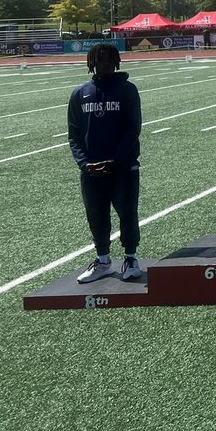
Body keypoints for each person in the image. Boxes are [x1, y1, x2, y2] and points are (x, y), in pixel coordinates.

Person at [67, 43, 143, 283]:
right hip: (91, 171)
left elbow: (133, 129)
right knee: (96, 216)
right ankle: (102, 260)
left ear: (117, 62)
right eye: (100, 60)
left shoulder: (127, 90)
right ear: (91, 63)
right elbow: (74, 134)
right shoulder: (80, 94)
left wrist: (117, 159)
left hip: (123, 168)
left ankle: (131, 258)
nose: (105, 64)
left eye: (109, 60)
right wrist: (84, 164)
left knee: (127, 213)